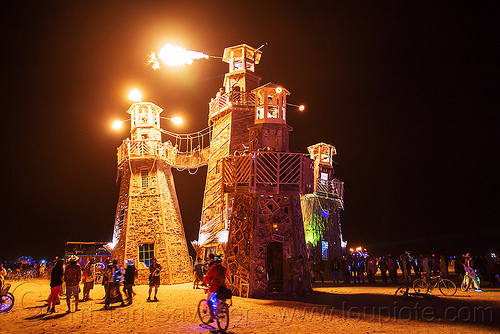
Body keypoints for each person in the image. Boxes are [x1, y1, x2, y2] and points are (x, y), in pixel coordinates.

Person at [202, 253, 227, 322]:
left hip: (214, 287)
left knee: (209, 300)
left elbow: (207, 276)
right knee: (220, 300)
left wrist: (204, 283)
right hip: (222, 288)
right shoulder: (224, 269)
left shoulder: (213, 268)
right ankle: (219, 310)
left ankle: (212, 315)